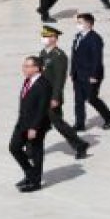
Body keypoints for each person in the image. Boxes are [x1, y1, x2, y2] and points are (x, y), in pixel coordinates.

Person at [39, 26, 90, 158]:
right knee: (40, 123)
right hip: (42, 96)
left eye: (47, 36)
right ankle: (32, 149)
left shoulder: (59, 56)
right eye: (43, 36)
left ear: (54, 39)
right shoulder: (43, 53)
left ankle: (80, 145)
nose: (44, 39)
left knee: (58, 124)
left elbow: (59, 79)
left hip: (51, 97)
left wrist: (55, 98)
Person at [10, 55, 51, 193]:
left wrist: (34, 127)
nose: (24, 68)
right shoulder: (27, 81)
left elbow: (42, 109)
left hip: (36, 125)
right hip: (22, 123)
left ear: (36, 68)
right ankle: (30, 173)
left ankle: (36, 181)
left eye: (27, 66)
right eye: (24, 65)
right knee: (14, 147)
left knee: (36, 153)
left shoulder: (44, 84)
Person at [71, 13, 110, 130]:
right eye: (77, 22)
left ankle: (109, 116)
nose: (78, 25)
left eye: (80, 23)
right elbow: (75, 56)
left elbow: (97, 58)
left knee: (91, 98)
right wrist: (72, 71)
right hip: (78, 74)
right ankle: (79, 124)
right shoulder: (78, 37)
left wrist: (94, 75)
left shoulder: (95, 39)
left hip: (91, 74)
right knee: (78, 100)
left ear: (89, 24)